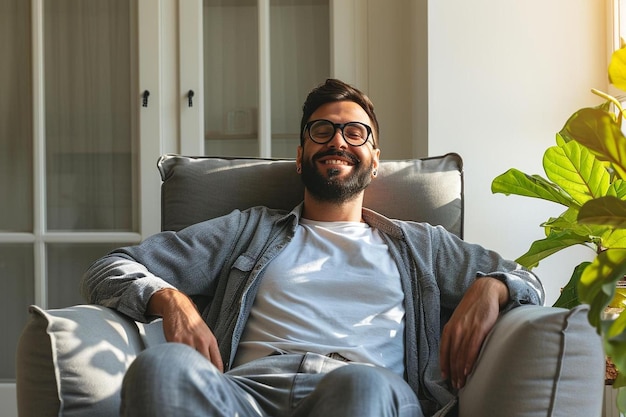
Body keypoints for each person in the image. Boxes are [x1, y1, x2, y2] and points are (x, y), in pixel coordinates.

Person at [81, 78, 544, 417]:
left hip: (365, 390)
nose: (338, 140)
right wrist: (170, 300)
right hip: (246, 395)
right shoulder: (246, 230)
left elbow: (527, 280)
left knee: (358, 388)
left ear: (375, 161)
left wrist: (491, 287)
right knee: (161, 366)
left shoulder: (422, 244)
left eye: (355, 132)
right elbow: (111, 266)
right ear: (301, 155)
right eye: (321, 131)